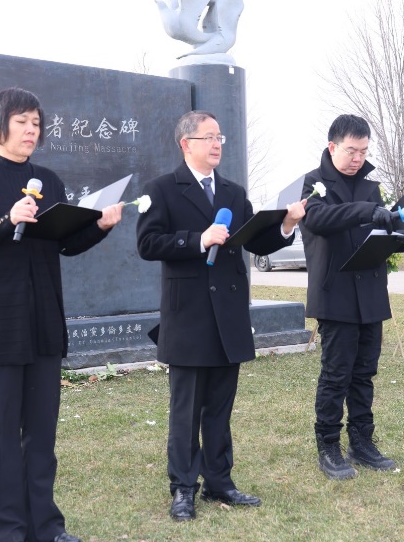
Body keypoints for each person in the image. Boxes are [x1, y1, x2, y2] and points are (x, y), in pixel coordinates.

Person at [0, 87, 123, 542]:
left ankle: (45, 526)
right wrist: (8, 220)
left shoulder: (50, 180)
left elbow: (64, 244)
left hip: (42, 322)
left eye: (37, 124)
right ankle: (5, 530)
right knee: (0, 437)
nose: (31, 130)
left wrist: (99, 226)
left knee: (41, 435)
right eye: (23, 121)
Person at [136, 110, 306, 521]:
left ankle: (219, 481)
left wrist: (285, 225)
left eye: (220, 137)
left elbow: (254, 240)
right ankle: (182, 488)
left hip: (227, 314)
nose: (216, 144)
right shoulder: (161, 189)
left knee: (219, 406)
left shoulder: (232, 191)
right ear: (186, 143)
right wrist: (198, 239)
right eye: (208, 137)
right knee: (186, 409)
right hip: (188, 315)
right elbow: (148, 243)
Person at [299, 114, 404, 480]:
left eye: (364, 151)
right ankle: (329, 445)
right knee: (336, 373)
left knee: (365, 372)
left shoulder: (371, 187)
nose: (358, 158)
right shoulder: (313, 183)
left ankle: (362, 441)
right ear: (332, 146)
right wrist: (371, 212)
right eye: (352, 151)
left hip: (369, 293)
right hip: (334, 293)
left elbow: (378, 232)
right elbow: (319, 220)